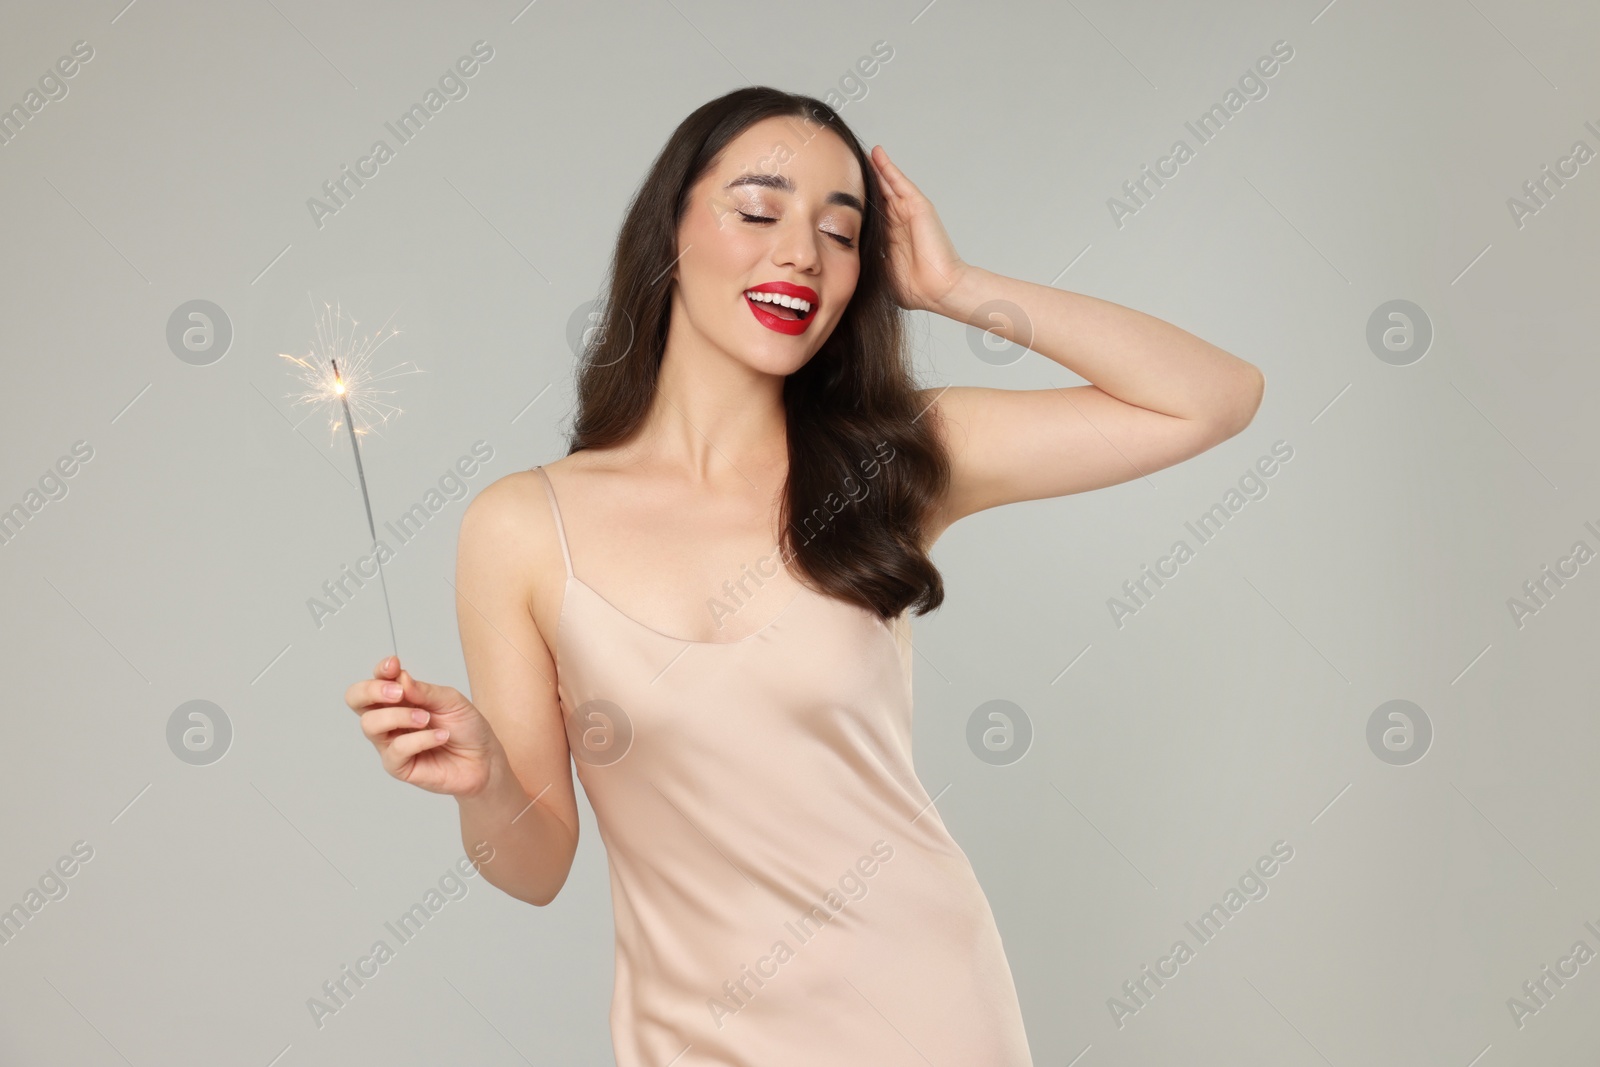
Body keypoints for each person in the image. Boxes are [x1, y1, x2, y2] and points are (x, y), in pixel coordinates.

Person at [344, 85, 1263, 1066]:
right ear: (669, 230)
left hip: (928, 1016)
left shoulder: (893, 457)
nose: (801, 254)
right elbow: (534, 866)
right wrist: (482, 777)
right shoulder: (524, 526)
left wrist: (955, 285)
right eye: (757, 210)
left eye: (840, 231)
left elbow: (1212, 397)